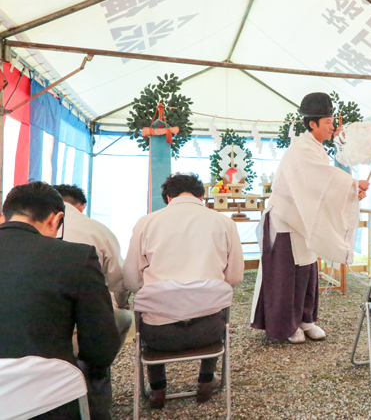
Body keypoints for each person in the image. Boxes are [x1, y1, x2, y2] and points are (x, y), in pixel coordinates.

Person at [250, 92, 368, 344]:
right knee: (286, 275)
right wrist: (352, 185)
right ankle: (286, 325)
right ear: (312, 123)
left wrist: (350, 191)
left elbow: (321, 187)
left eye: (333, 122)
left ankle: (305, 319)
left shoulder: (315, 148)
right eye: (328, 122)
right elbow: (320, 180)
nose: (332, 127)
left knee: (307, 270)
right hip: (286, 221)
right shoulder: (301, 149)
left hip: (302, 219)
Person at [122, 173, 244, 408]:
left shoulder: (147, 222)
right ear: (202, 196)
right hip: (209, 331)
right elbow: (235, 277)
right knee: (212, 302)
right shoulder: (224, 223)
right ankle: (206, 382)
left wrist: (156, 295)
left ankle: (158, 389)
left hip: (159, 337)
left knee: (151, 307)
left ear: (168, 197)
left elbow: (130, 278)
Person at [0, 182, 119, 419]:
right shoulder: (76, 256)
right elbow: (100, 347)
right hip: (51, 399)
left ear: (4, 216)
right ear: (56, 220)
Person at [53, 184, 132, 348]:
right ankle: (97, 370)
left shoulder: (29, 231)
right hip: (80, 325)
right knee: (124, 317)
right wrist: (122, 303)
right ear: (81, 207)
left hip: (25, 327)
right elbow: (118, 281)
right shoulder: (98, 230)